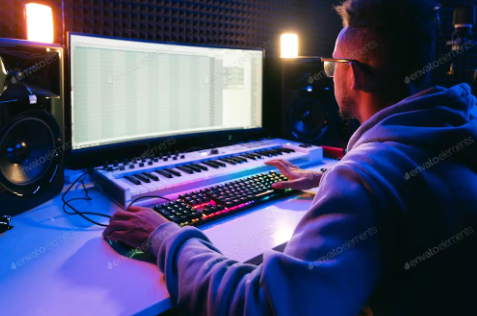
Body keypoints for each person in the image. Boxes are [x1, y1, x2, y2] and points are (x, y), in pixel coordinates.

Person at [103, 0, 477, 315]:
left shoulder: (367, 179)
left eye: (332, 66)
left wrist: (165, 236)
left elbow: (259, 304)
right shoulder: (454, 132)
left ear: (356, 75)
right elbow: (407, 184)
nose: (329, 76)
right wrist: (324, 179)